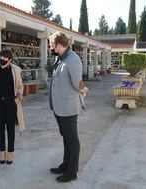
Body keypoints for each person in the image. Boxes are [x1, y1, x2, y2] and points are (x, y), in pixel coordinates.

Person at [48, 31, 89, 183]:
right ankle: (65, 165)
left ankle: (72, 171)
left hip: (68, 107)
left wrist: (83, 89)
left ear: (59, 45)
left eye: (52, 45)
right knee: (65, 137)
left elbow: (77, 82)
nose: (51, 48)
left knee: (72, 139)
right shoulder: (61, 58)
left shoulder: (73, 59)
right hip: (59, 106)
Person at [0, 48, 25, 165]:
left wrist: (19, 95)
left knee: (10, 129)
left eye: (5, 58)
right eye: (1, 57)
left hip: (11, 104)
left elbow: (20, 86)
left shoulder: (16, 70)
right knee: (0, 130)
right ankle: (2, 151)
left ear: (10, 59)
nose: (2, 60)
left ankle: (10, 152)